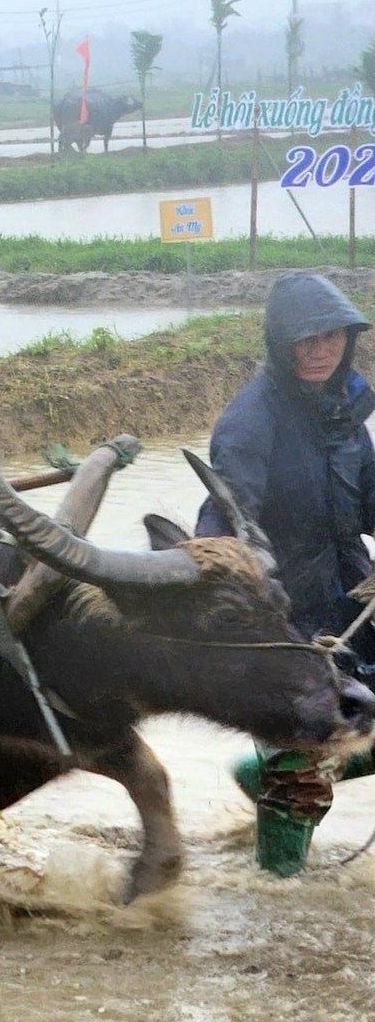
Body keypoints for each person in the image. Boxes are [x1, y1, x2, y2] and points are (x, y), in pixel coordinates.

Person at [199, 272, 375, 875]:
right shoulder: (250, 422)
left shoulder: (344, 412)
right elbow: (228, 523)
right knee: (301, 772)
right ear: (281, 343)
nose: (321, 349)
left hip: (351, 602)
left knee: (357, 728)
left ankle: (259, 773)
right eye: (307, 340)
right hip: (285, 619)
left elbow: (369, 502)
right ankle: (277, 902)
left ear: (348, 341)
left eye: (332, 336)